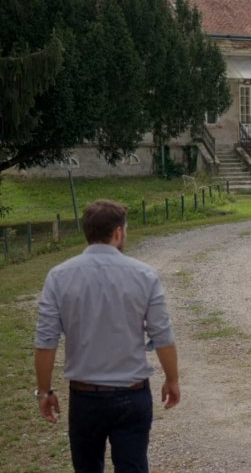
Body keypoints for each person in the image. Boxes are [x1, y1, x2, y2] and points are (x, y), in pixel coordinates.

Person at [34, 199, 180, 472]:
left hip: (85, 397)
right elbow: (163, 335)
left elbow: (45, 342)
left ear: (87, 232)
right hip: (132, 395)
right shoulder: (144, 275)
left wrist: (44, 391)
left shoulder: (58, 276)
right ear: (118, 232)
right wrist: (172, 379)